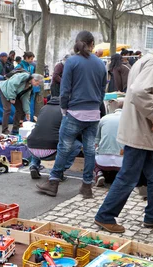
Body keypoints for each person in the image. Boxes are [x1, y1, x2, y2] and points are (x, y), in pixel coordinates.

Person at [94, 30, 153, 233]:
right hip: (141, 131)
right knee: (128, 176)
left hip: (143, 132)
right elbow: (139, 92)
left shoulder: (146, 60)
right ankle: (105, 215)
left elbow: (136, 91)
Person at [36, 31, 107, 199]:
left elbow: (65, 89)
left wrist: (64, 108)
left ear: (77, 43)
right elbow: (103, 90)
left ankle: (53, 182)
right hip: (93, 113)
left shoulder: (72, 62)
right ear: (92, 44)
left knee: (64, 147)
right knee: (90, 150)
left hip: (75, 111)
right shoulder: (100, 64)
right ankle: (87, 186)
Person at [27, 96, 81, 179]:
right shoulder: (65, 111)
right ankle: (59, 171)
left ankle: (34, 165)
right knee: (77, 145)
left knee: (39, 137)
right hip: (50, 151)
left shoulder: (43, 108)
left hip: (31, 147)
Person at [94, 101, 124, 187]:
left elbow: (96, 141)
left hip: (102, 160)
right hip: (122, 160)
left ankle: (98, 172)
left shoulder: (104, 119)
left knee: (90, 152)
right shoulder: (130, 120)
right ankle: (123, 178)